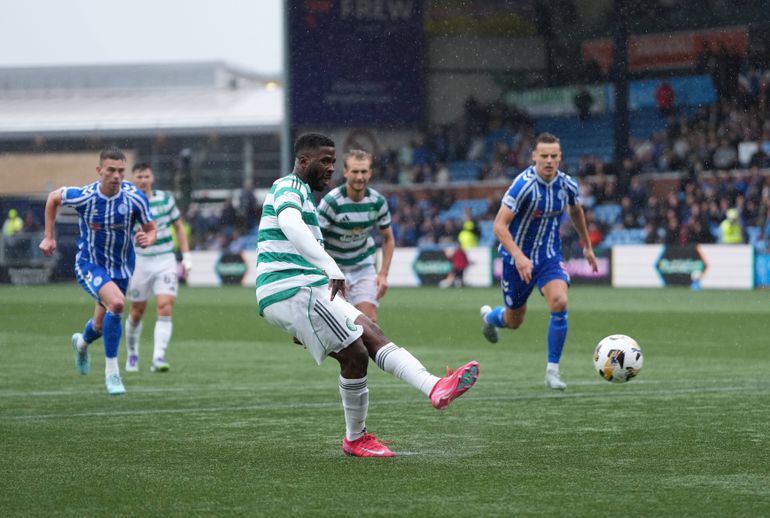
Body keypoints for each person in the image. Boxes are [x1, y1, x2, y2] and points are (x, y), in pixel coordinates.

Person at [256, 133, 479, 457]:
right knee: (358, 350)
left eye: (334, 161)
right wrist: (330, 266)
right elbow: (290, 223)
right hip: (291, 287)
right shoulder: (288, 187)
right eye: (326, 161)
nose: (331, 168)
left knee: (365, 339)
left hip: (309, 287)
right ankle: (360, 435)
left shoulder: (306, 193)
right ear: (304, 161)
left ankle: (432, 388)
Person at [480, 133, 598, 390]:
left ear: (560, 157)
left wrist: (587, 245)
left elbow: (576, 211)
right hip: (516, 260)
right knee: (514, 321)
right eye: (543, 156)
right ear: (533, 156)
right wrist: (519, 257)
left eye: (554, 156)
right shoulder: (522, 186)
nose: (549, 160)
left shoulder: (567, 185)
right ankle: (491, 318)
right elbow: (499, 226)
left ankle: (552, 372)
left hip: (548, 256)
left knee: (560, 301)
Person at [39, 148, 156, 395]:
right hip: (89, 264)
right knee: (117, 304)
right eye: (111, 170)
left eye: (121, 171)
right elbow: (52, 198)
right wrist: (49, 237)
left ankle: (81, 344)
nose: (116, 176)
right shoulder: (85, 196)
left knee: (101, 326)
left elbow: (151, 228)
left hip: (122, 269)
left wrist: (149, 238)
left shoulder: (135, 198)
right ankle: (112, 374)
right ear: (99, 170)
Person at [124, 163, 192, 373]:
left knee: (165, 306)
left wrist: (186, 256)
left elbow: (178, 226)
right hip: (140, 261)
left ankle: (158, 357)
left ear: (152, 178)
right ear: (133, 179)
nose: (143, 180)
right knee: (137, 311)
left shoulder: (165, 199)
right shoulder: (128, 202)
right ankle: (132, 353)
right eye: (139, 176)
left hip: (165, 260)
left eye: (146, 176)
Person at [317, 149, 394, 323]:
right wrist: (330, 272)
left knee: (369, 322)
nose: (360, 177)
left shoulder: (377, 202)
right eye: (355, 171)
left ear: (370, 173)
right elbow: (315, 241)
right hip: (334, 269)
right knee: (339, 325)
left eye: (364, 171)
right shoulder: (331, 202)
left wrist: (383, 274)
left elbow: (388, 239)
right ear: (345, 172)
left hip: (363, 267)